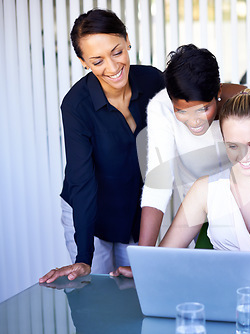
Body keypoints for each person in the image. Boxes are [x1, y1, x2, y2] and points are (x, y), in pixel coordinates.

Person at [113, 89, 250, 323]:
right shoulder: (205, 189)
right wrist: (144, 271)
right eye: (233, 146)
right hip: (218, 311)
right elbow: (166, 256)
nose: (244, 155)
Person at [39, 9, 165, 284]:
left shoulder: (154, 81)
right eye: (97, 61)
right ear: (84, 62)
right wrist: (84, 257)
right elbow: (82, 181)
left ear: (127, 40)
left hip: (136, 210)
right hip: (90, 215)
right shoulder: (76, 106)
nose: (112, 67)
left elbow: (192, 99)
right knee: (96, 296)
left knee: (139, 293)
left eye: (117, 52)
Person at [139, 44, 250, 247]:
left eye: (204, 109)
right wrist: (143, 257)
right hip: (197, 211)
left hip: (247, 205)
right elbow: (158, 180)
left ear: (218, 91)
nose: (194, 121)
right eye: (182, 111)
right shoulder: (161, 108)